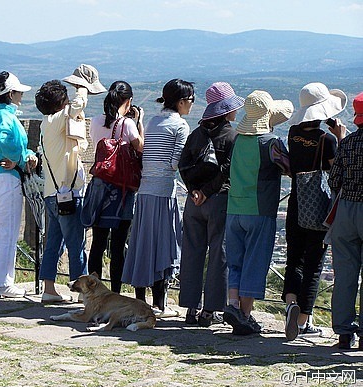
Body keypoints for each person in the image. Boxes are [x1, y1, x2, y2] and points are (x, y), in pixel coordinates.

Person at [223, 90, 293, 335]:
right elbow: (288, 167)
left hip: (234, 209)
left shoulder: (236, 140)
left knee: (235, 262)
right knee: (255, 262)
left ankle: (232, 305)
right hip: (259, 209)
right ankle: (244, 315)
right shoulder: (270, 142)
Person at [122, 78, 194, 317]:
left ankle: (140, 300)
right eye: (191, 100)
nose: (192, 105)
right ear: (182, 101)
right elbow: (175, 163)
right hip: (164, 193)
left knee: (142, 245)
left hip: (144, 191)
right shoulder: (181, 126)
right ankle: (160, 304)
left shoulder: (153, 121)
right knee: (164, 245)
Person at [281, 82, 347, 341]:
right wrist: (340, 139)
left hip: (296, 204)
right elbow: (337, 171)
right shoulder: (327, 139)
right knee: (314, 265)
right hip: (318, 208)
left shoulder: (292, 133)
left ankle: (290, 304)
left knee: (293, 260)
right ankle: (304, 320)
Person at [36, 64, 106, 303]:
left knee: (53, 243)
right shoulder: (58, 119)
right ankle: (82, 294)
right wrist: (82, 86)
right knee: (76, 245)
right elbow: (78, 105)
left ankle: (48, 289)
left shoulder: (46, 124)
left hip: (50, 193)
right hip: (67, 194)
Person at [178, 82, 244, 326]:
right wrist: (206, 191)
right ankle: (210, 310)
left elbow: (183, 165)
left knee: (192, 252)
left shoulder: (196, 134)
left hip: (193, 203)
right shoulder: (231, 135)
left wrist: (194, 191)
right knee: (219, 254)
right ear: (227, 111)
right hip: (219, 200)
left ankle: (190, 308)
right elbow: (227, 170)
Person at [0, 71, 37, 298]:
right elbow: (5, 140)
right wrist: (20, 158)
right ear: (11, 93)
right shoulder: (6, 116)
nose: (21, 94)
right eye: (19, 91)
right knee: (8, 233)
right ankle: (3, 282)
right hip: (7, 177)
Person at [85, 80, 144, 293]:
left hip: (99, 186)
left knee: (98, 244)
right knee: (118, 247)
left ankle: (94, 292)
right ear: (128, 102)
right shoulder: (127, 125)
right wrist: (139, 124)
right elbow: (140, 149)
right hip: (121, 189)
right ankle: (115, 293)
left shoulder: (94, 121)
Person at [329, 92, 363, 350]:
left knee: (345, 275)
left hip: (345, 213)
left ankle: (343, 332)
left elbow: (334, 181)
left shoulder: (348, 142)